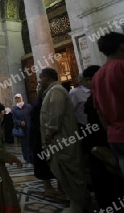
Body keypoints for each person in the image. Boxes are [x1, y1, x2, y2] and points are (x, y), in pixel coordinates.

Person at [39, 67, 90, 212]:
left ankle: (78, 204)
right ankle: (78, 202)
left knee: (70, 173)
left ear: (47, 78)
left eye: (40, 78)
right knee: (65, 174)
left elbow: (55, 115)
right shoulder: (52, 91)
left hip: (62, 139)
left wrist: (49, 133)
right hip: (59, 139)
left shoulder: (56, 91)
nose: (39, 81)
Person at [83, 64, 124, 208]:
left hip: (106, 139)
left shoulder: (102, 93)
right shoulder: (97, 94)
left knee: (109, 177)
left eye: (88, 79)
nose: (86, 83)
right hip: (101, 139)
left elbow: (102, 116)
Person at [91, 32, 124, 176]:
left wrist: (110, 131)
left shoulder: (97, 76)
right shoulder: (121, 66)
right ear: (122, 46)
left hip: (114, 137)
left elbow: (100, 112)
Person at [29, 84, 56, 196]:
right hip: (40, 138)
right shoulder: (38, 105)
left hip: (41, 137)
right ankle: (47, 186)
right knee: (44, 162)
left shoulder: (42, 103)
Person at [12, 93, 33, 164]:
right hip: (22, 129)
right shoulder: (15, 109)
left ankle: (32, 157)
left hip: (29, 128)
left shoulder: (28, 107)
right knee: (24, 144)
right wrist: (20, 122)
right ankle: (26, 158)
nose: (18, 99)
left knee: (31, 143)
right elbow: (14, 119)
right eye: (16, 98)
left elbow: (32, 116)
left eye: (18, 98)